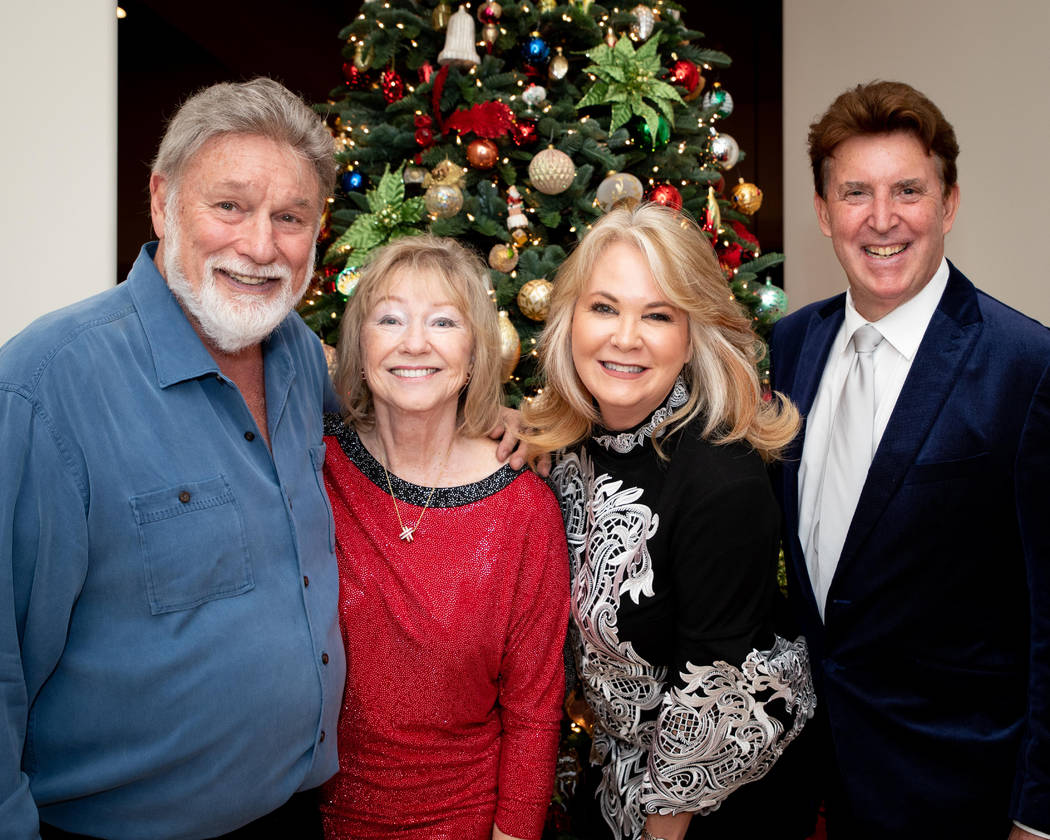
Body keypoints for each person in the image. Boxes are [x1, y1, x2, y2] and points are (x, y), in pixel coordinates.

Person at [0, 78, 345, 838]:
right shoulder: (43, 387)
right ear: (162, 202)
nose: (260, 246)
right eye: (229, 206)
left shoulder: (303, 366)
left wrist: (508, 431)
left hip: (292, 817)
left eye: (290, 218)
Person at [769, 80, 1050, 839]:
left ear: (949, 204)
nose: (882, 218)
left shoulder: (1028, 364)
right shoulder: (786, 348)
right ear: (825, 213)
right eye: (855, 192)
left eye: (908, 191)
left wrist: (1039, 812)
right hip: (811, 783)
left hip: (962, 792)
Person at [522, 203, 816, 840]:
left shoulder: (721, 479)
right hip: (614, 774)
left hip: (707, 806)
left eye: (657, 315)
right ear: (569, 319)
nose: (624, 338)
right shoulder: (575, 441)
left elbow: (715, 699)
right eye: (604, 308)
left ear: (691, 337)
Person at [319, 234, 570, 840]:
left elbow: (535, 711)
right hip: (313, 812)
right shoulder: (315, 467)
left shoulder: (523, 507)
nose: (414, 343)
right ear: (358, 348)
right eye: (390, 318)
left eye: (442, 321)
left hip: (464, 818)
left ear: (476, 355)